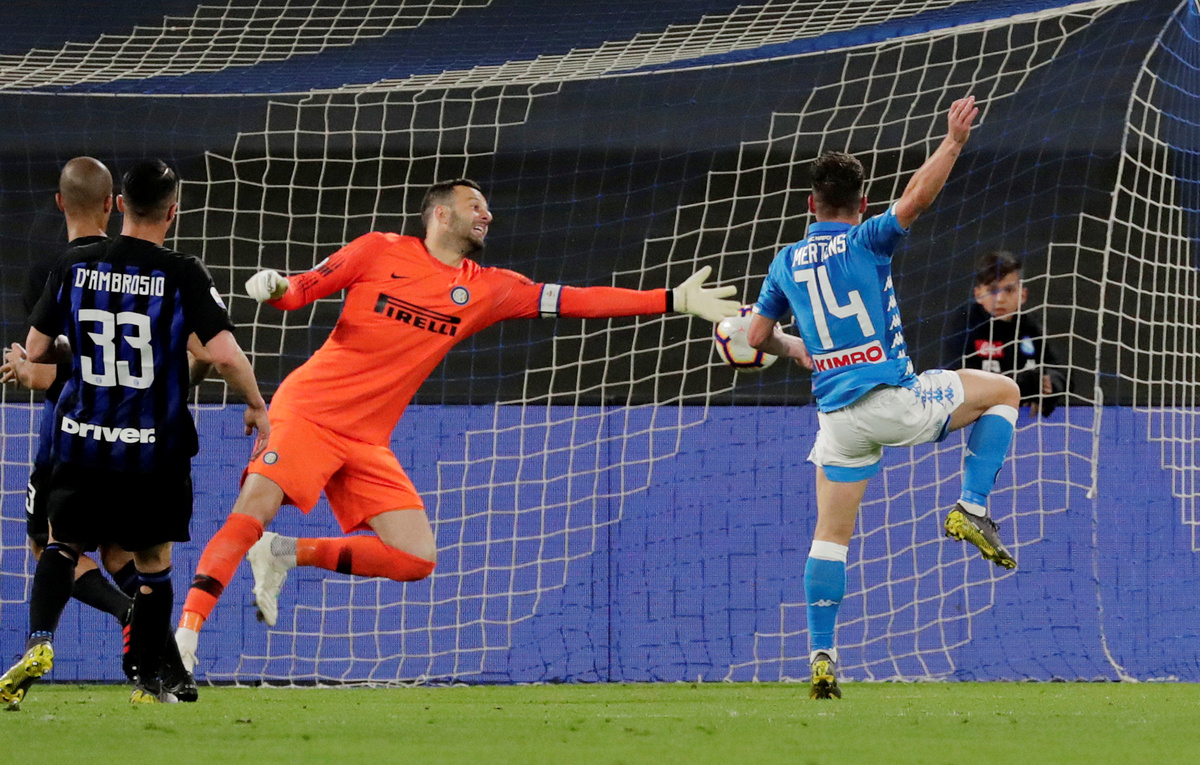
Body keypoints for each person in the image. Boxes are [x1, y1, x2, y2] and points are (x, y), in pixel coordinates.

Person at [174, 178, 741, 674]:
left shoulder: (489, 288)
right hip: (310, 411)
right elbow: (300, 291)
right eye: (475, 205)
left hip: (367, 439)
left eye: (487, 207)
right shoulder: (378, 250)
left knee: (415, 557)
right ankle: (184, 639)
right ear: (441, 214)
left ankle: (285, 554)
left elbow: (576, 300)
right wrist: (276, 287)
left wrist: (671, 299)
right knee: (249, 514)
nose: (487, 214)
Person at [746, 96, 1021, 700]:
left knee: (829, 537)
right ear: (863, 204)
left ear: (810, 205)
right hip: (895, 400)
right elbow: (916, 197)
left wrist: (795, 347)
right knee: (1004, 389)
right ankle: (971, 506)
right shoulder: (868, 239)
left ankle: (821, 656)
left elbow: (758, 337)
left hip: (838, 420)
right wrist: (953, 142)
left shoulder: (785, 263)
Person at [0, 160, 270, 709]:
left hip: (81, 443)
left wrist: (28, 365)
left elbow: (36, 350)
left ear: (120, 205)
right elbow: (222, 356)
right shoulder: (182, 273)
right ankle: (153, 678)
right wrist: (257, 404)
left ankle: (40, 640)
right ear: (173, 211)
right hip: (151, 452)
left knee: (60, 544)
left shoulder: (75, 265)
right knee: (151, 563)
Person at [0, 158, 139, 652]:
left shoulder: (50, 273)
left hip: (67, 436)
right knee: (120, 552)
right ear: (112, 205)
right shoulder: (138, 272)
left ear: (59, 202)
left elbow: (45, 369)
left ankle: (83, 627)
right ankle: (159, 652)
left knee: (49, 545)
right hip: (129, 434)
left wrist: (22, 368)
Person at [943, 250, 1067, 417]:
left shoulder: (1031, 326)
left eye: (1009, 290)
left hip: (1025, 419)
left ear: (1023, 295)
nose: (1000, 299)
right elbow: (960, 382)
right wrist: (1027, 383)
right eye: (992, 290)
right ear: (978, 294)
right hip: (976, 419)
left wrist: (1050, 386)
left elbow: (1059, 370)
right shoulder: (965, 325)